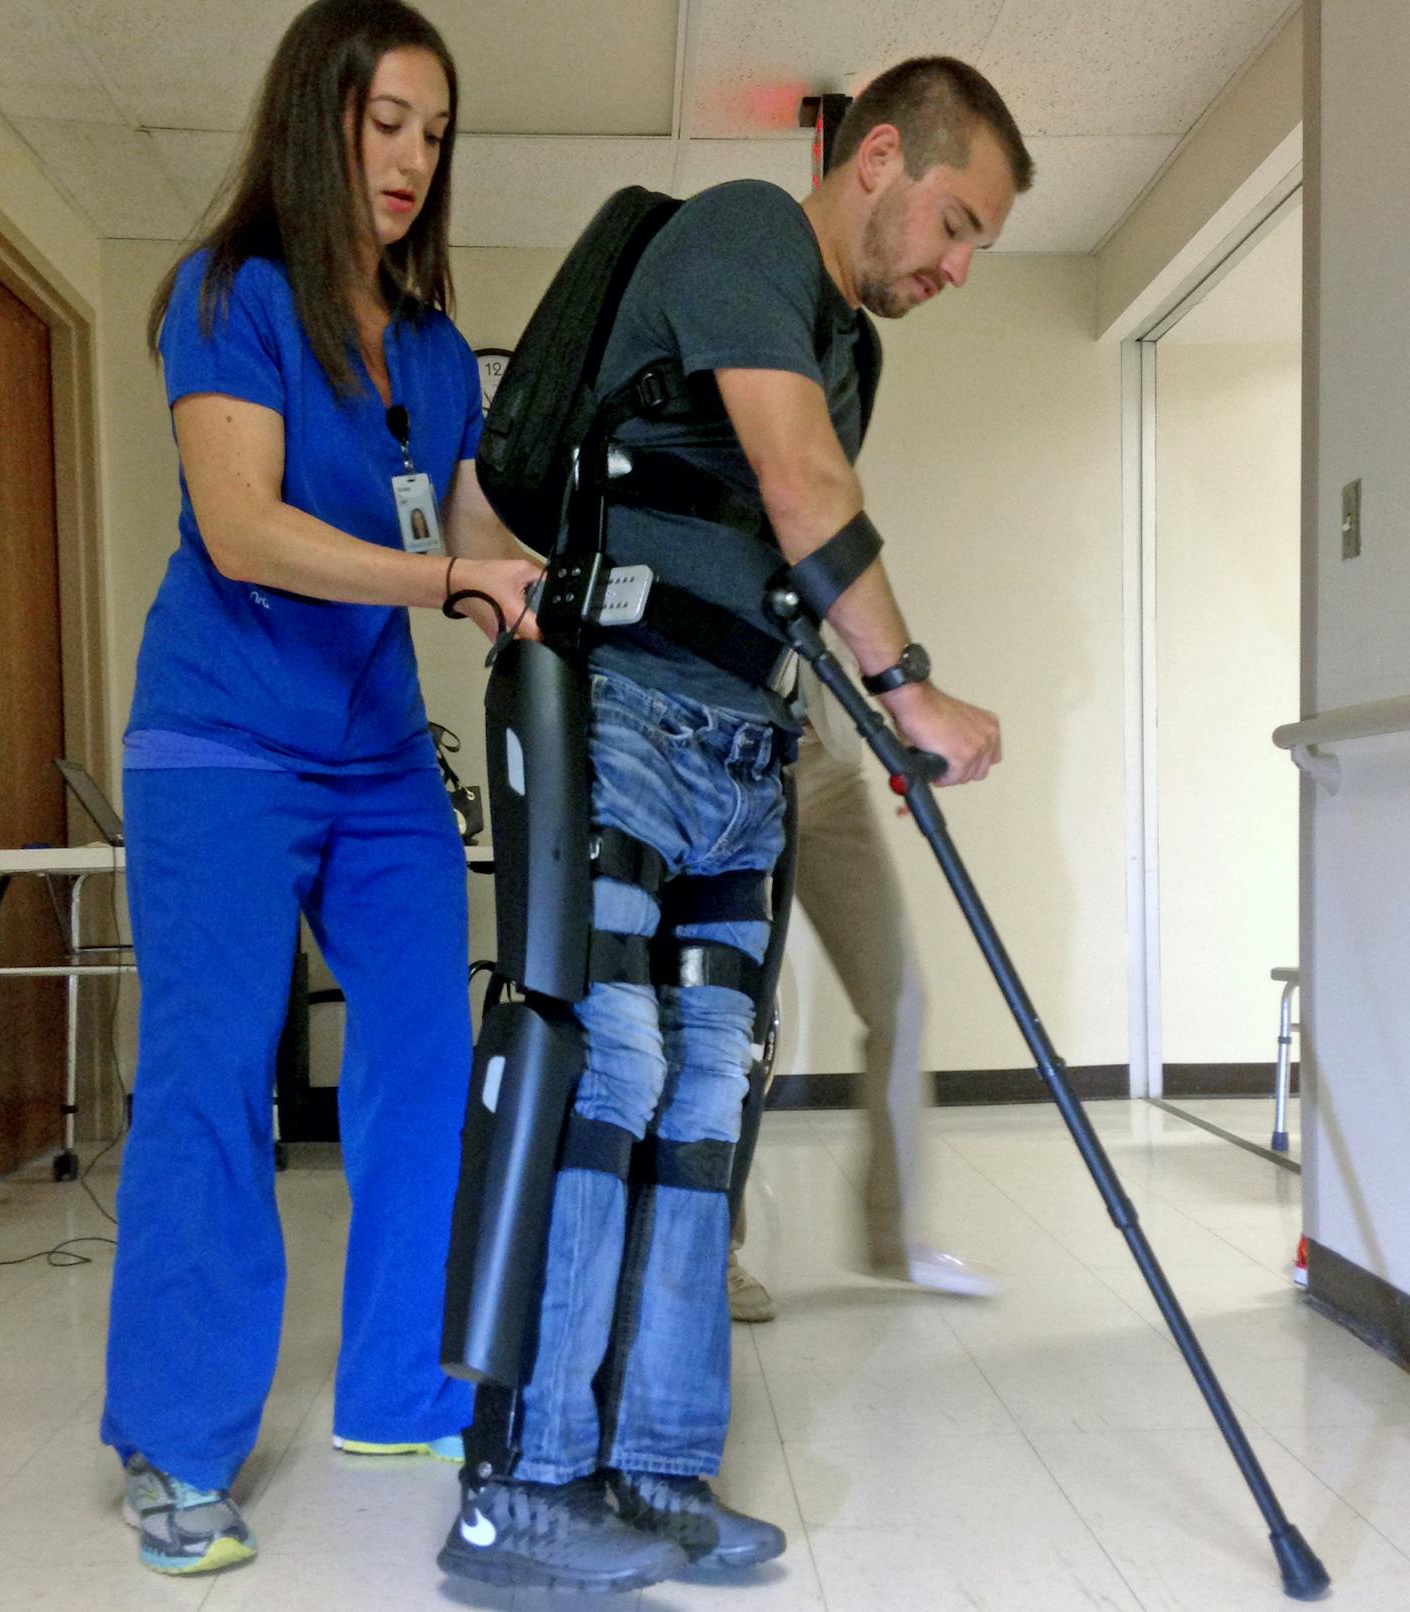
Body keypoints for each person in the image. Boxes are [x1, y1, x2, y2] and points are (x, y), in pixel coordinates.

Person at [437, 55, 1032, 1594]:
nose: (957, 267)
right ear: (883, 154)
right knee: (608, 1068)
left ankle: (658, 1465)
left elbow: (775, 541)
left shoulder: (850, 344)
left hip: (741, 744)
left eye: (978, 249)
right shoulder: (750, 231)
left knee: (713, 1094)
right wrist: (913, 690)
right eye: (956, 223)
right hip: (620, 709)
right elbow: (794, 477)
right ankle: (522, 1491)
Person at [99, 0, 539, 1577]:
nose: (414, 158)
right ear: (320, 120)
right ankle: (181, 1441)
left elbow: (469, 514)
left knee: (429, 1054)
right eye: (386, 123)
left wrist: (519, 575)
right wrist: (444, 581)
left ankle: (402, 1386)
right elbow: (243, 528)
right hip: (221, 739)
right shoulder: (232, 298)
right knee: (214, 1070)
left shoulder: (424, 344)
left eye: (435, 130)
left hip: (371, 757)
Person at [727, 643, 998, 1325]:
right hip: (723, 753)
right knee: (729, 1018)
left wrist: (910, 712)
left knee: (898, 999)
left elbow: (840, 600)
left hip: (824, 762)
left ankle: (896, 1237)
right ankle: (711, 1248)